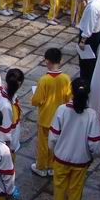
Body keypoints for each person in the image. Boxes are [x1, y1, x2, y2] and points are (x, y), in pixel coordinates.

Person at [48, 77, 100, 200]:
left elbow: (53, 137)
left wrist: (54, 151)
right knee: (75, 191)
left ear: (71, 91)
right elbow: (95, 144)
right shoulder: (91, 115)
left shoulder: (62, 110)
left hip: (60, 158)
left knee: (59, 189)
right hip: (81, 161)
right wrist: (93, 155)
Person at [30, 48, 71, 177]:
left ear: (46, 61)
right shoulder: (66, 78)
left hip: (45, 118)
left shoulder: (44, 80)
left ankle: (41, 166)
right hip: (60, 119)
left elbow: (36, 100)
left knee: (43, 145)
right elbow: (69, 98)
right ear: (61, 60)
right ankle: (53, 166)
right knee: (56, 143)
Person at [77, 0, 100, 84]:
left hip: (89, 37)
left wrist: (83, 40)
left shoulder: (93, 7)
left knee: (85, 63)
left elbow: (89, 25)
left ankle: (85, 84)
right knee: (91, 61)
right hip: (96, 33)